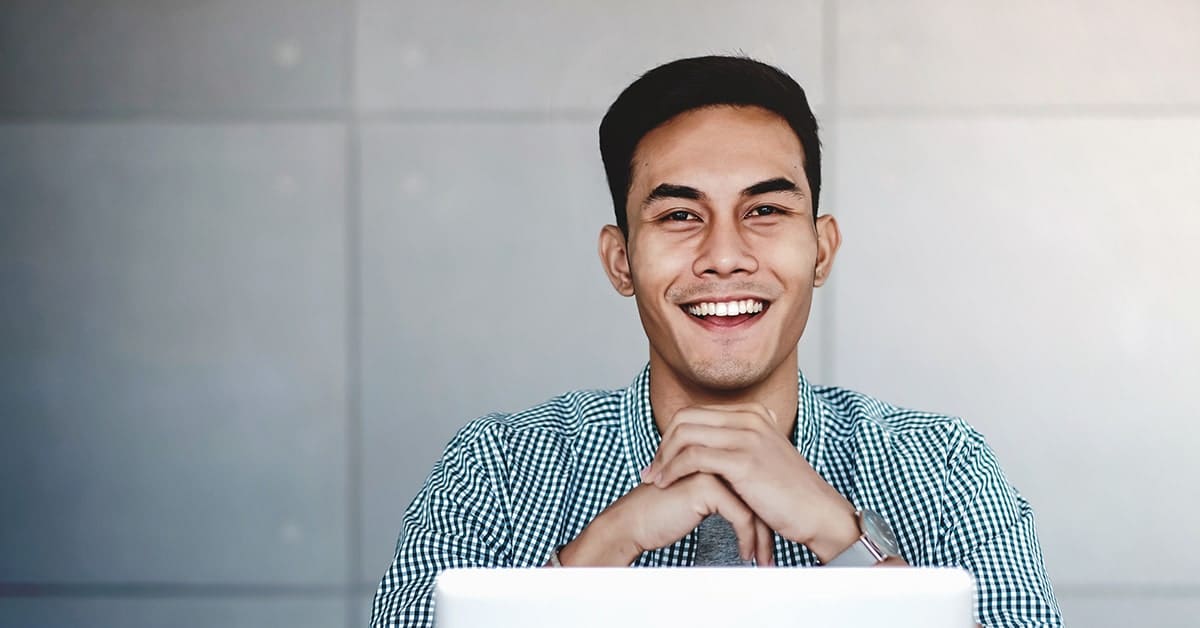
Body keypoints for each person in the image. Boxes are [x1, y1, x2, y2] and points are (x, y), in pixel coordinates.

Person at [371, 55, 1062, 627]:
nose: (724, 255)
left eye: (764, 210)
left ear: (821, 251)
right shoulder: (497, 473)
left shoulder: (943, 470)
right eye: (678, 214)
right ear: (620, 262)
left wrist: (844, 538)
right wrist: (598, 555)